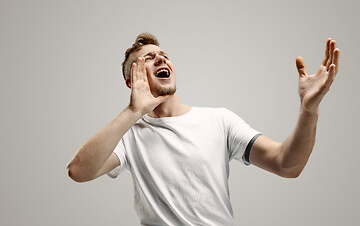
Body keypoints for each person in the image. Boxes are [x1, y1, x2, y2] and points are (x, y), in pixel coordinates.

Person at [67, 33, 340, 225]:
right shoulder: (129, 134)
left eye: (164, 55)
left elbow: (287, 165)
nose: (161, 59)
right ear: (131, 80)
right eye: (149, 59)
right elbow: (78, 171)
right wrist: (133, 112)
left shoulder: (220, 121)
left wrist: (309, 109)